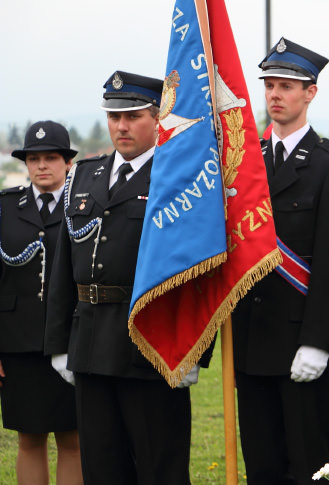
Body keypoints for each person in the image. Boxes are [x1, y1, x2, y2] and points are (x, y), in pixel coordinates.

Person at [44, 71, 200, 485]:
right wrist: (60, 343)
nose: (121, 126)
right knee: (102, 467)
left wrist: (194, 350)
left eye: (132, 116)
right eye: (114, 117)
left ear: (157, 119)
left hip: (151, 345)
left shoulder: (178, 181)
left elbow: (200, 273)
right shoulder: (85, 175)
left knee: (159, 467)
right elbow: (64, 266)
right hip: (91, 343)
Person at [231, 37, 329, 484]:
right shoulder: (245, 163)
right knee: (261, 467)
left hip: (300, 342)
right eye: (269, 85)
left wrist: (318, 341)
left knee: (309, 466)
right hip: (249, 342)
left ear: (310, 93)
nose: (275, 95)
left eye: (287, 86)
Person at [1, 121, 82, 484]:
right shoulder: (5, 208)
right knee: (29, 438)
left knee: (74, 438)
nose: (42, 166)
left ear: (67, 162)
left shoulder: (83, 205)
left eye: (51, 157)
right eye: (34, 158)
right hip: (18, 343)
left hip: (72, 340)